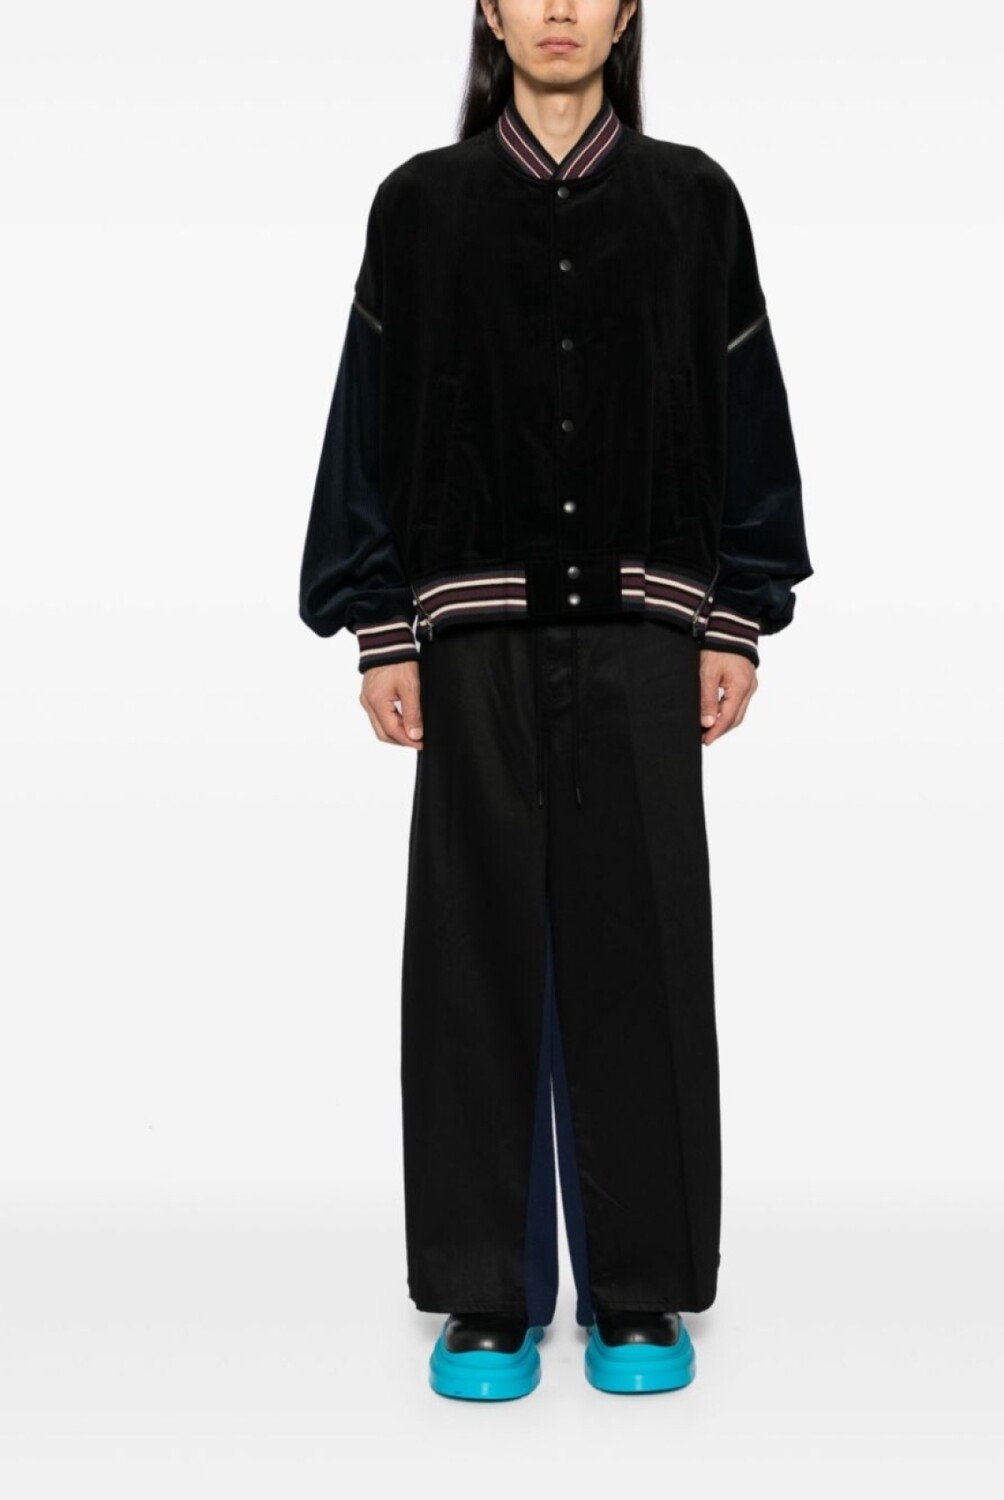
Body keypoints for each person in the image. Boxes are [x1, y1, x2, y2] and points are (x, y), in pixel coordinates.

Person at [298, 0, 812, 1401]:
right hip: (470, 640)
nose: (561, 8)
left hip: (646, 636)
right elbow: (365, 416)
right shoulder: (420, 207)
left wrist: (740, 609)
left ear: (629, 8)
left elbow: (748, 411)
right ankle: (487, 1291)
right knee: (474, 953)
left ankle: (640, 1289)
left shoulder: (695, 203)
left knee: (642, 940)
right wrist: (379, 625)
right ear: (489, 9)